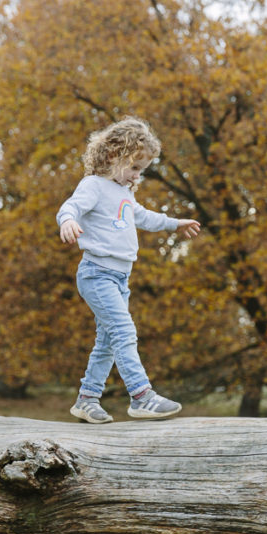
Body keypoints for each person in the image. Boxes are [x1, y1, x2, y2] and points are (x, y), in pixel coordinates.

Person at [57, 117, 201, 423]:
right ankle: (140, 396)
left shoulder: (124, 192)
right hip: (97, 274)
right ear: (112, 156)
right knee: (124, 331)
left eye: (142, 169)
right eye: (134, 167)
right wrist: (68, 221)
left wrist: (176, 224)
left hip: (120, 278)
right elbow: (70, 207)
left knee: (108, 341)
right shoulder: (94, 186)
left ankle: (87, 399)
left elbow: (145, 218)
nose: (137, 175)